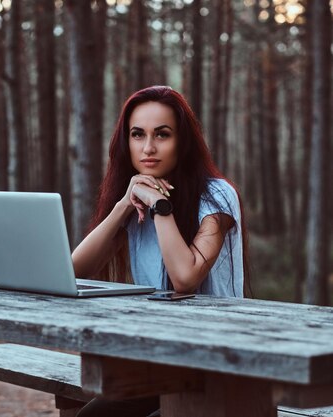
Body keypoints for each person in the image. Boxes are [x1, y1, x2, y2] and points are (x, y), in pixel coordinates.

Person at [71, 86, 248, 417]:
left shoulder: (218, 196)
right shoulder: (135, 198)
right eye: (137, 135)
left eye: (162, 135)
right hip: (162, 362)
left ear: (183, 141)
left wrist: (159, 205)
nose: (148, 148)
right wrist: (124, 204)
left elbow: (185, 278)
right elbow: (75, 269)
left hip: (218, 362)